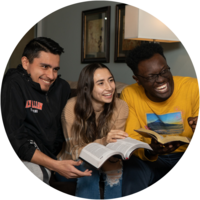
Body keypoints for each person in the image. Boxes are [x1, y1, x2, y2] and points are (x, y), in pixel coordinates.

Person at [1, 37, 92, 184]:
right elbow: (15, 137)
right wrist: (55, 165)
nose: (51, 76)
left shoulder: (62, 88)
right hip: (21, 152)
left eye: (55, 69)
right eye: (44, 67)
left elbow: (61, 132)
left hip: (50, 154)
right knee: (37, 175)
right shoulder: (14, 83)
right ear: (25, 63)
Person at [120, 42, 199, 195]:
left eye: (164, 71)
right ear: (137, 79)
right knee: (133, 166)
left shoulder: (194, 87)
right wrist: (150, 151)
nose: (161, 80)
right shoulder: (129, 94)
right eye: (151, 76)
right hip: (152, 158)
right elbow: (132, 139)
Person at [57, 63, 129, 199]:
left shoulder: (121, 106)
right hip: (72, 163)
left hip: (106, 161)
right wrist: (103, 141)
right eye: (101, 83)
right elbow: (75, 151)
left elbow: (114, 146)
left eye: (111, 80)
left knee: (115, 165)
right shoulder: (71, 107)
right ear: (87, 88)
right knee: (88, 165)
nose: (109, 87)